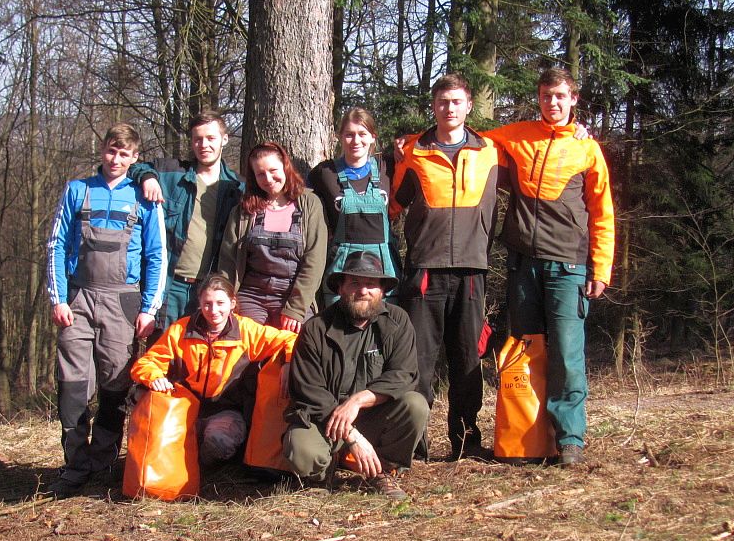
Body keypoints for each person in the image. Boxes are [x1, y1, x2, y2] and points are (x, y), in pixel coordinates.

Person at [488, 67, 615, 465]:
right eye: (546, 95)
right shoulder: (518, 135)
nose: (552, 103)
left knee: (565, 352)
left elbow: (602, 212)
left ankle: (570, 438)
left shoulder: (586, 149)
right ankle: (529, 437)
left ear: (573, 99)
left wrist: (600, 269)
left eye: (560, 96)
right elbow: (467, 139)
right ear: (538, 98)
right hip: (523, 262)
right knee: (527, 350)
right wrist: (412, 142)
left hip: (568, 265)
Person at [45, 123, 167, 498]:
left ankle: (103, 462)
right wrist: (58, 299)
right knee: (73, 385)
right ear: (102, 150)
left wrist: (149, 308)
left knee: (116, 385)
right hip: (78, 298)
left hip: (123, 301)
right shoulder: (77, 190)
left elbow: (157, 255)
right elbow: (56, 245)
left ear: (134, 158)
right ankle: (75, 465)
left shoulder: (144, 198)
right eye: (111, 151)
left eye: (124, 154)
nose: (116, 159)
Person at [389, 73, 500, 460]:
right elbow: (392, 204)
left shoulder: (491, 150)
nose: (449, 108)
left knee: (468, 359)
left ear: (468, 105)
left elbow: (538, 142)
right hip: (424, 269)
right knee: (418, 361)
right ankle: (414, 444)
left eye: (456, 102)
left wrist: (577, 130)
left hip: (471, 269)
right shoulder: (413, 152)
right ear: (433, 106)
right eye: (442, 102)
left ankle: (467, 441)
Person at [284, 251, 429, 500]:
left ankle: (383, 470)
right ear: (340, 288)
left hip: (374, 418)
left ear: (382, 290)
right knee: (301, 450)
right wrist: (351, 435)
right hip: (326, 420)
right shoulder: (315, 328)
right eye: (354, 283)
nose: (363, 291)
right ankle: (325, 471)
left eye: (371, 284)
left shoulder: (398, 321)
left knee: (415, 405)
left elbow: (404, 374)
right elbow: (308, 389)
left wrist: (358, 400)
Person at [130, 274, 297, 469]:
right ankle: (182, 460)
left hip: (226, 411)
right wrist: (154, 377)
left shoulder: (246, 330)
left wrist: (288, 362)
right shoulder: (181, 329)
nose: (214, 310)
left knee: (218, 444)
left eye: (220, 303)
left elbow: (290, 338)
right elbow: (146, 362)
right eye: (207, 304)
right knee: (159, 431)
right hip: (184, 407)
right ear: (199, 303)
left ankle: (199, 465)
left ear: (232, 303)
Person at [128, 110, 244, 332]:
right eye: (197, 139)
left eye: (211, 138)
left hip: (211, 292)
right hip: (171, 286)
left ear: (224, 139)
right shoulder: (171, 174)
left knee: (203, 351)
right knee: (162, 348)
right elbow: (132, 166)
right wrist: (148, 178)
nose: (204, 145)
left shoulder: (237, 188)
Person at [218, 141, 327, 333]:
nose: (268, 179)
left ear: (285, 167)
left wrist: (296, 309)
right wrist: (225, 300)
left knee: (296, 347)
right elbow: (227, 261)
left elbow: (315, 261)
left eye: (273, 170)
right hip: (251, 295)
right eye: (260, 174)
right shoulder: (244, 210)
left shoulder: (310, 204)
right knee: (244, 342)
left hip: (293, 295)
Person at [308, 108, 400, 302]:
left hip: (384, 266)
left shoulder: (387, 167)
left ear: (373, 137)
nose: (356, 140)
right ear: (340, 137)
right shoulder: (324, 173)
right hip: (341, 267)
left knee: (384, 317)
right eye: (349, 134)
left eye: (362, 134)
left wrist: (404, 143)